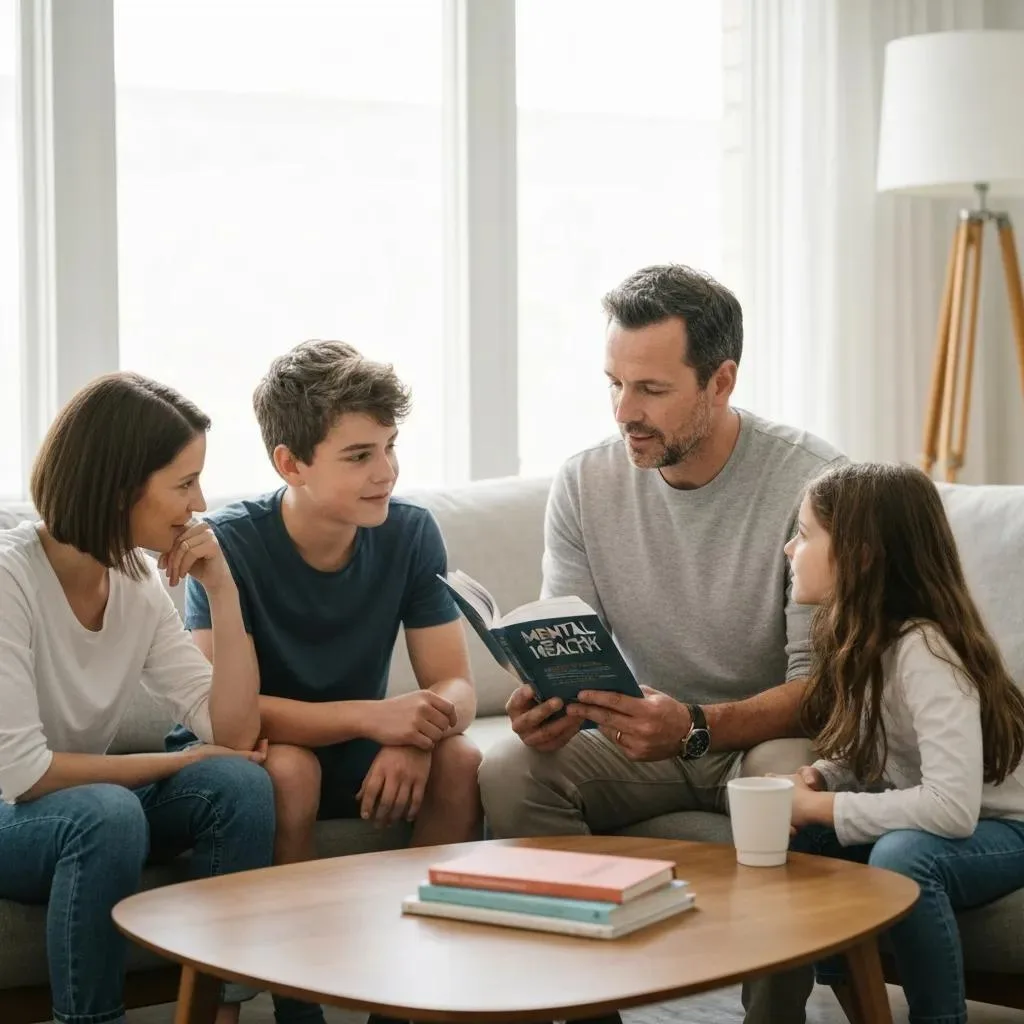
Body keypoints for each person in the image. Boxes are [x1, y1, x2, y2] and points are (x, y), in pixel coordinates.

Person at [477, 264, 843, 1021]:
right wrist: (546, 701)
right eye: (614, 384)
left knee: (783, 780)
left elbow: (822, 688)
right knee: (511, 769)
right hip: (643, 733)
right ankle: (590, 1011)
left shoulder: (814, 483)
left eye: (650, 389)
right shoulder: (585, 483)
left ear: (721, 381)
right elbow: (568, 637)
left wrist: (697, 725)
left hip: (765, 734)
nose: (625, 412)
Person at [175, 340, 482, 1024]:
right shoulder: (228, 546)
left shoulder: (410, 533)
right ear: (291, 464)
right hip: (256, 751)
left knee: (460, 760)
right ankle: (300, 1006)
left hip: (351, 746)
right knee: (291, 770)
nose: (387, 472)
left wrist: (416, 735)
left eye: (390, 447)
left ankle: (408, 1003)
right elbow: (227, 715)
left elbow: (455, 684)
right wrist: (376, 720)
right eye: (360, 455)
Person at [0, 373, 275, 1024]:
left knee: (240, 784)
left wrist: (224, 589)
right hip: (13, 813)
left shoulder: (136, 583)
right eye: (184, 483)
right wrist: (180, 761)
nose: (198, 503)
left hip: (84, 807)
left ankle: (212, 1014)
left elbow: (234, 734)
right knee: (109, 813)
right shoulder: (10, 579)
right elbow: (25, 773)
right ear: (122, 486)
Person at [746, 462, 1024, 1024]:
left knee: (903, 856)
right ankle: (851, 1009)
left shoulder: (927, 651)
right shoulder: (864, 637)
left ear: (862, 556)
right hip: (963, 818)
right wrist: (822, 775)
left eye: (805, 534)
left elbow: (951, 809)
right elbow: (879, 749)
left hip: (1008, 825)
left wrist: (819, 805)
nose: (789, 549)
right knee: (801, 842)